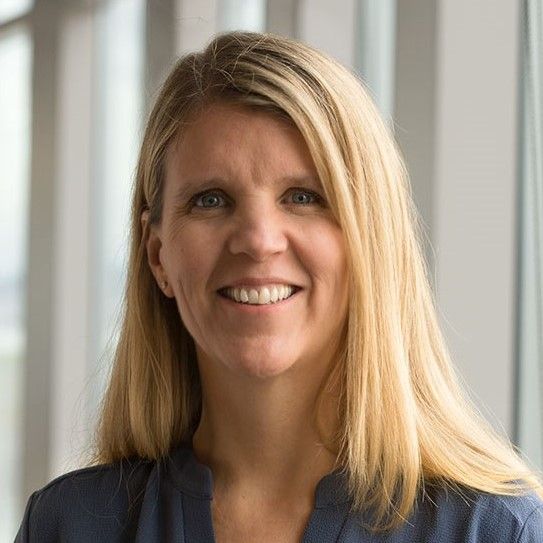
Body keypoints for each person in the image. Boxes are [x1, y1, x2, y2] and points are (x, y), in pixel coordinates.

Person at [15, 31, 543, 542]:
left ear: (369, 241)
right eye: (211, 200)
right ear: (158, 257)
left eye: (303, 197)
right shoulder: (67, 526)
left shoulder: (496, 531)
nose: (258, 240)